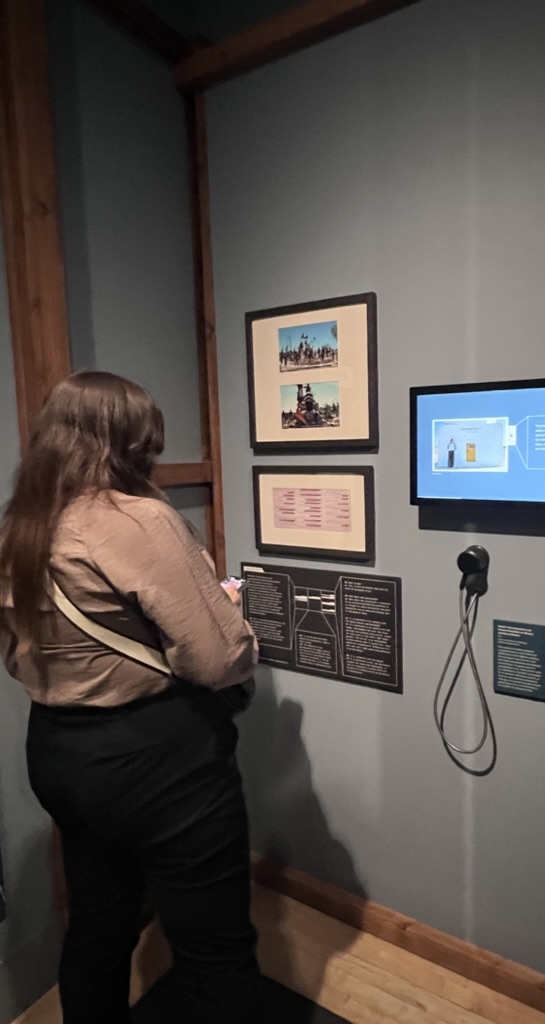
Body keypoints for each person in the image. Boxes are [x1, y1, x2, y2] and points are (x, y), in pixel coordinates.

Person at [0, 372, 262, 1024]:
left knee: (98, 922)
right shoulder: (133, 518)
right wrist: (227, 609)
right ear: (124, 441)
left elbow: (18, 656)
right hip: (156, 758)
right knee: (214, 946)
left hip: (59, 751)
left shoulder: (17, 529)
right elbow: (218, 659)